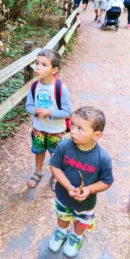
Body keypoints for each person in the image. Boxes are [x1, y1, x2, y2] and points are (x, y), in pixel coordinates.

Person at [48, 106, 114, 257]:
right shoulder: (64, 146)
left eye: (80, 128)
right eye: (72, 125)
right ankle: (61, 232)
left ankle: (76, 237)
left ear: (96, 135)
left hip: (85, 203)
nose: (73, 131)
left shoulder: (102, 158)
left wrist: (90, 189)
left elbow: (106, 181)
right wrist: (68, 186)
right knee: (62, 216)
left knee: (81, 222)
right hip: (63, 197)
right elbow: (54, 166)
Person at [25, 49, 72, 190]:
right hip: (39, 128)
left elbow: (68, 111)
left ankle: (56, 175)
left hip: (56, 130)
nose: (38, 67)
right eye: (37, 63)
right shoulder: (34, 86)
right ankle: (38, 172)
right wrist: (35, 111)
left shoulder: (60, 88)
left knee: (55, 153)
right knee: (38, 151)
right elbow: (28, 105)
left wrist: (50, 113)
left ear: (54, 69)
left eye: (44, 65)